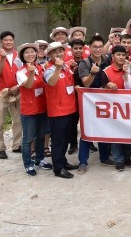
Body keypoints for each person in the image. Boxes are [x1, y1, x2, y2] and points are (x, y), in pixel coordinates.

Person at [76, 35, 113, 174]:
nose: (98, 49)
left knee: (104, 128)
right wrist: (92, 72)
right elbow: (85, 82)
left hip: (105, 101)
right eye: (95, 47)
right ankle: (83, 162)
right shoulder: (84, 63)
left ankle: (104, 157)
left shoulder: (107, 60)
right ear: (89, 48)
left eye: (100, 46)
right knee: (86, 131)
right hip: (89, 102)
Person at [43, 42, 79, 178]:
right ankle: (58, 168)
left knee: (65, 140)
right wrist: (58, 68)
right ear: (50, 55)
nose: (58, 54)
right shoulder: (50, 69)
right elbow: (51, 82)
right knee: (58, 141)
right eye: (55, 52)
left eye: (60, 51)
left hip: (70, 109)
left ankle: (63, 162)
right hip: (58, 111)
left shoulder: (66, 66)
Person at [16, 43, 52, 175]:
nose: (30, 54)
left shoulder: (41, 68)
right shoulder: (20, 72)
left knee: (41, 137)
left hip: (42, 108)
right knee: (28, 139)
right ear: (22, 56)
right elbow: (29, 84)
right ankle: (28, 164)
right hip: (29, 111)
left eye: (32, 52)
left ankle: (40, 159)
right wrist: (31, 73)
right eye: (27, 53)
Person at [0, 31, 23, 159]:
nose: (8, 42)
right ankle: (0, 149)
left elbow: (22, 73)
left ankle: (16, 145)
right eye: (6, 40)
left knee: (18, 120)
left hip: (16, 92)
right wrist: (3, 58)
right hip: (0, 94)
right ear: (1, 42)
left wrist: (18, 87)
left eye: (11, 40)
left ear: (13, 41)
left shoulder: (18, 55)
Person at [99, 45, 131, 171]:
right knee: (116, 135)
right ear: (112, 57)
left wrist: (126, 72)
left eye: (123, 55)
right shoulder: (106, 72)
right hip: (113, 109)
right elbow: (100, 89)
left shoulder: (129, 69)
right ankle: (119, 159)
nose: (121, 57)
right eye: (118, 55)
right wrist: (107, 85)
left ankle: (128, 157)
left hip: (128, 107)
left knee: (128, 133)